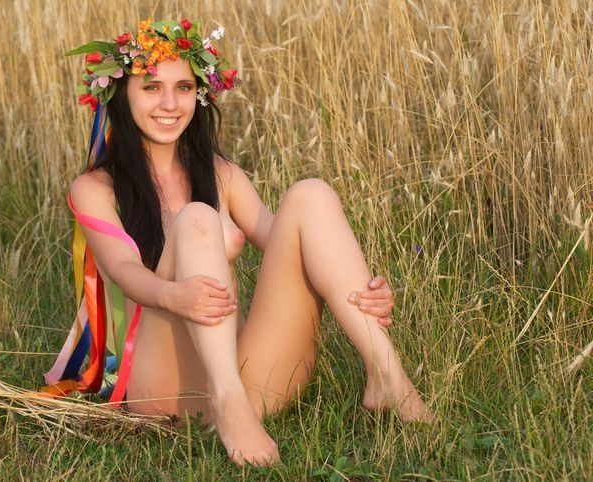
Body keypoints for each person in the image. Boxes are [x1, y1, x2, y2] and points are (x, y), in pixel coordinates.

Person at [45, 18, 432, 466]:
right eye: (151, 88)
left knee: (312, 195)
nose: (169, 103)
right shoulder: (96, 187)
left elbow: (292, 240)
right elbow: (125, 271)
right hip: (167, 390)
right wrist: (174, 294)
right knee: (197, 220)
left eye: (184, 88)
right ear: (122, 94)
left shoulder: (221, 173)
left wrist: (363, 293)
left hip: (255, 377)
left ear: (200, 94)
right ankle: (227, 406)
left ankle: (387, 375)